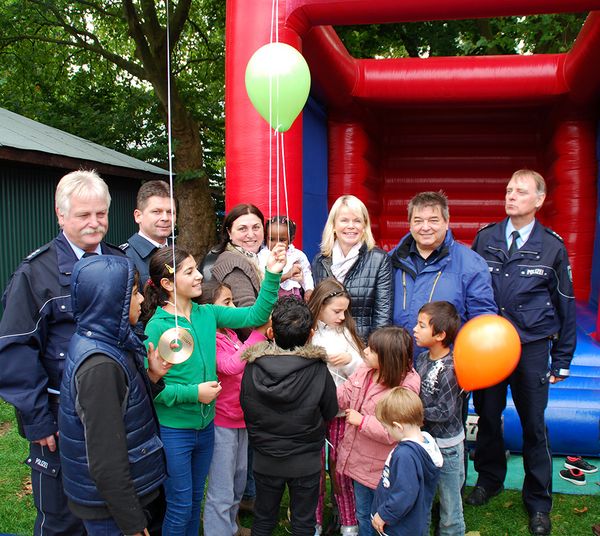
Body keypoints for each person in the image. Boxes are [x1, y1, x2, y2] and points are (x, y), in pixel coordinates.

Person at [0, 169, 123, 536]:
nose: (94, 222)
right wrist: (38, 420)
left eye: (100, 213)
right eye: (84, 215)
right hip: (59, 414)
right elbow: (15, 350)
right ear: (61, 214)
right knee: (62, 518)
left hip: (114, 411)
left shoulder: (120, 264)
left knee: (112, 508)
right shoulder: (34, 274)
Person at [143, 245, 285, 536]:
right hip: (175, 430)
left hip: (206, 427)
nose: (198, 276)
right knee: (180, 505)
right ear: (168, 284)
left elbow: (255, 315)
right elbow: (153, 388)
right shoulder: (156, 327)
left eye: (196, 268)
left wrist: (271, 275)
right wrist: (193, 394)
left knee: (195, 500)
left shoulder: (207, 313)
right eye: (189, 272)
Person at [468, 170, 576, 536]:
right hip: (488, 347)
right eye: (509, 190)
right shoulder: (485, 238)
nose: (511, 196)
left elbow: (566, 305)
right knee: (487, 414)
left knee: (533, 424)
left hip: (531, 347)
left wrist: (562, 357)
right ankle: (490, 478)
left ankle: (538, 500)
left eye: (521, 191)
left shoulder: (553, 246)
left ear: (539, 200)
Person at [58, 255, 170, 535]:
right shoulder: (100, 366)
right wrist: (131, 522)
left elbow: (124, 408)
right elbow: (106, 457)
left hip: (122, 496)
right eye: (133, 294)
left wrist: (152, 378)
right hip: (113, 510)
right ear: (110, 301)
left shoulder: (105, 340)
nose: (142, 301)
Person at [240, 297, 339, 536]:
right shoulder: (318, 370)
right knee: (303, 524)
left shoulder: (252, 368)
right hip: (305, 461)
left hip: (265, 459)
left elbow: (247, 407)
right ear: (311, 334)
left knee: (263, 520)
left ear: (271, 332)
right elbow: (330, 410)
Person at [337, 326, 421, 536]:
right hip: (359, 463)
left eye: (372, 350)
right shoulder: (365, 372)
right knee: (363, 513)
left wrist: (362, 421)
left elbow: (394, 431)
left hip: (382, 470)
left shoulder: (405, 388)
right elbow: (343, 394)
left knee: (382, 518)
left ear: (388, 359)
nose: (365, 351)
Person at [201, 280, 269, 536]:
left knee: (238, 480)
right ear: (210, 309)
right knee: (222, 486)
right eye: (226, 303)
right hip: (222, 423)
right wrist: (258, 335)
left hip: (241, 419)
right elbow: (229, 366)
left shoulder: (230, 334)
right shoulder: (210, 339)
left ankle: (231, 526)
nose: (233, 307)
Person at [389, 190, 497, 342]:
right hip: (397, 359)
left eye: (433, 220)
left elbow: (482, 321)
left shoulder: (471, 264)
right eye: (418, 221)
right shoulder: (391, 260)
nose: (425, 227)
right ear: (410, 225)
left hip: (448, 361)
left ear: (446, 222)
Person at [308, 278, 365, 535]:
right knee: (314, 469)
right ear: (320, 306)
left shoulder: (347, 332)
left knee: (342, 467)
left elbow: (364, 368)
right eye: (337, 311)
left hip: (343, 413)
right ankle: (315, 519)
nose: (342, 316)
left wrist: (350, 361)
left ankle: (348, 520)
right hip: (313, 414)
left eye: (345, 311)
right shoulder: (307, 332)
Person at [413, 301, 465, 536]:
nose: (415, 329)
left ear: (440, 335)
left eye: (421, 325)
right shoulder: (423, 359)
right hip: (425, 442)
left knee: (450, 500)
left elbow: (447, 411)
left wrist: (414, 414)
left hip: (447, 447)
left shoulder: (452, 368)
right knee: (423, 494)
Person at [312, 195, 393, 342]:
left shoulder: (380, 259)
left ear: (364, 226)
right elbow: (316, 309)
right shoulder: (320, 260)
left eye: (357, 221)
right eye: (344, 220)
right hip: (325, 346)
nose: (351, 226)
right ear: (334, 225)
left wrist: (372, 352)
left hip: (362, 348)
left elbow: (382, 315)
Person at [370, 387, 443, 536]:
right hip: (413, 523)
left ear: (397, 426)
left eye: (386, 427)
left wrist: (384, 514)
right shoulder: (426, 441)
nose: (386, 431)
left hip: (399, 527)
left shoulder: (405, 455)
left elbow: (404, 493)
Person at [121, 180, 175, 284]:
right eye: (156, 212)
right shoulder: (124, 258)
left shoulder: (179, 254)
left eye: (170, 212)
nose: (165, 218)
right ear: (138, 216)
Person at [258, 215, 315, 301]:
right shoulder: (263, 255)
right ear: (266, 238)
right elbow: (265, 280)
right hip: (272, 299)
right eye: (271, 239)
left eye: (282, 240)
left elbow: (306, 274)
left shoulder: (298, 255)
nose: (277, 244)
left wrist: (309, 289)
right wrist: (288, 274)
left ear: (291, 240)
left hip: (295, 297)